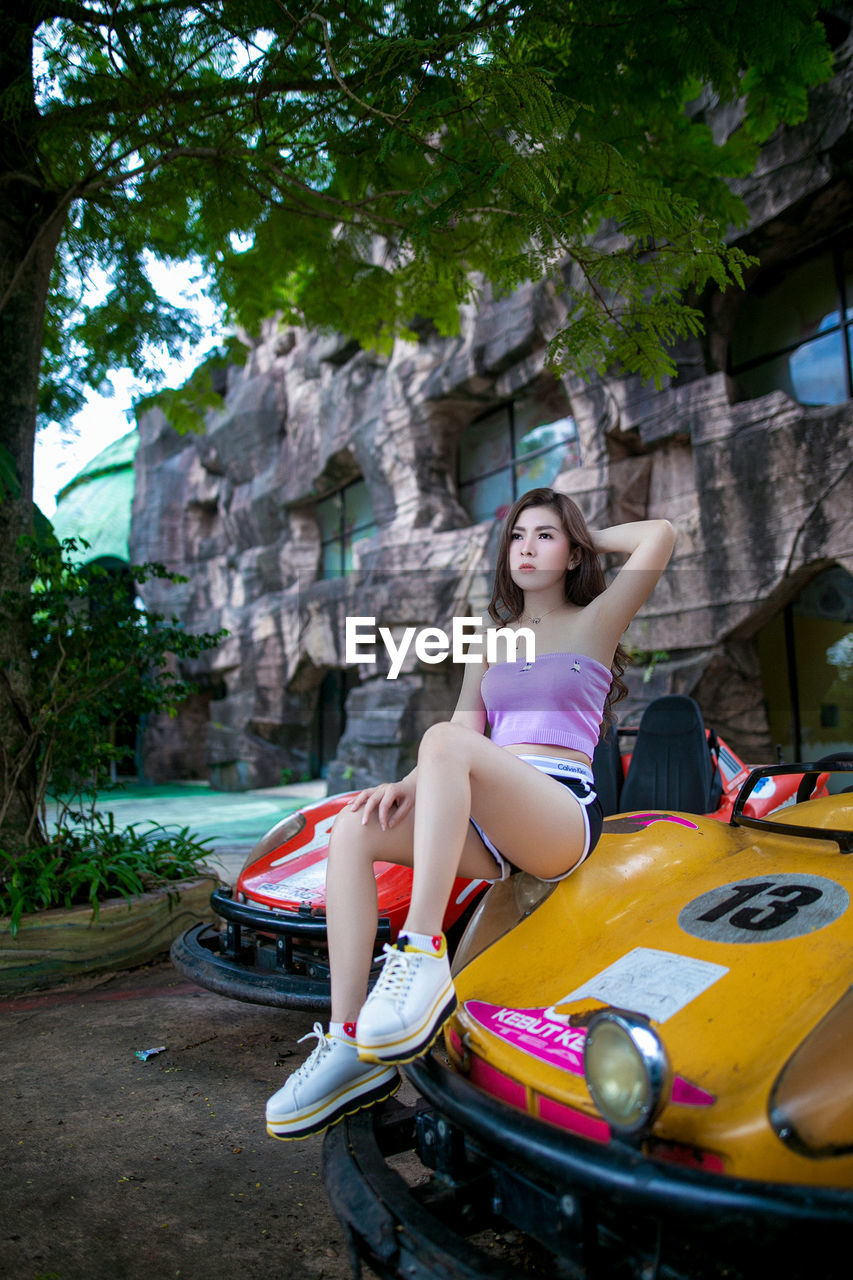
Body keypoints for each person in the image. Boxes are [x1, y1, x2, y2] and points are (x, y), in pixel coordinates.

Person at [265, 486, 675, 1140]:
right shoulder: (493, 638)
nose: (526, 547)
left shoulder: (596, 619)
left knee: (442, 745)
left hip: (559, 815)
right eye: (517, 535)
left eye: (544, 535)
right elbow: (462, 727)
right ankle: (346, 1045)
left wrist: (583, 530)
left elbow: (659, 534)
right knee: (351, 829)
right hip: (488, 816)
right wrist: (403, 786)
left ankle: (419, 955)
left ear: (571, 552)